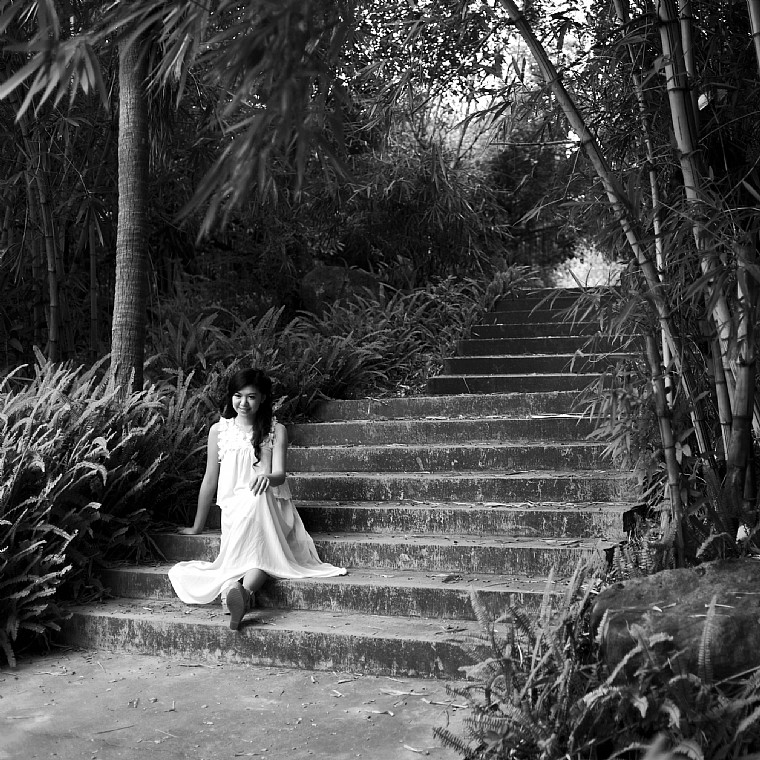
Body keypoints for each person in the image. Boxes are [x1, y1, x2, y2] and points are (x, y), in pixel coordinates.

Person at [168, 368, 347, 631]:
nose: (243, 403)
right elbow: (209, 480)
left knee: (259, 510)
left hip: (270, 505)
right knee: (262, 551)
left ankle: (233, 592)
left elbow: (279, 473)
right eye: (237, 396)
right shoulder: (219, 431)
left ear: (262, 398)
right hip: (235, 509)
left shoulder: (276, 430)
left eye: (251, 397)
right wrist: (197, 526)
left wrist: (267, 478)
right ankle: (241, 592)